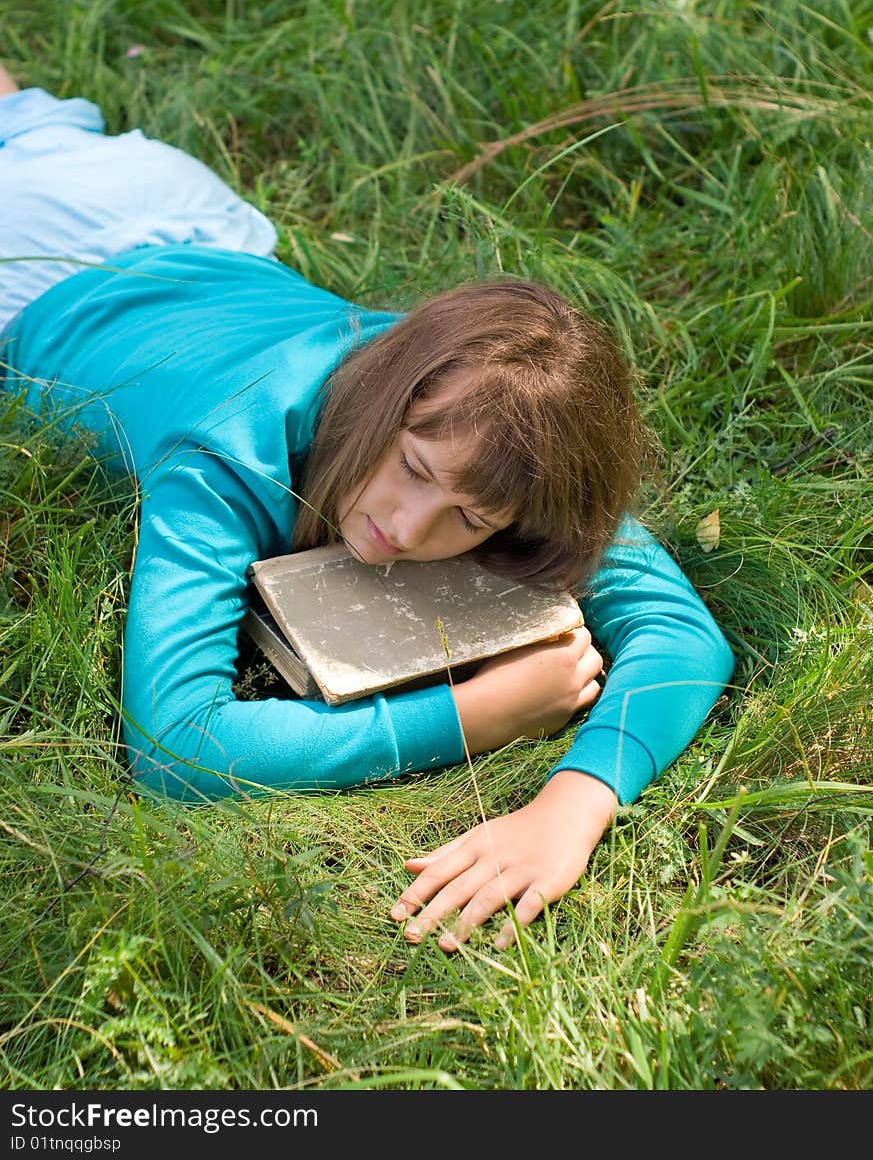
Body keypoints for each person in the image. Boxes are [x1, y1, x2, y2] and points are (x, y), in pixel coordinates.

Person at [0, 68, 734, 953]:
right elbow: (178, 747)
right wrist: (473, 717)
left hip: (194, 230)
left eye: (469, 519)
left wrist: (576, 799)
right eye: (414, 468)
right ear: (390, 389)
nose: (410, 530)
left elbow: (680, 629)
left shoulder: (486, 407)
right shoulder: (229, 450)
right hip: (29, 264)